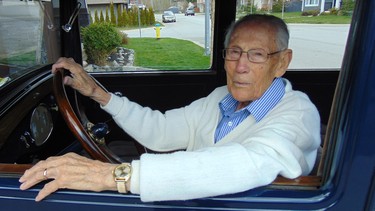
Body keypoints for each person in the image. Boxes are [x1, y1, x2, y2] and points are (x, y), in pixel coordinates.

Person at [19, 14, 321, 202]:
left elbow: (252, 162)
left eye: (257, 55)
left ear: (282, 62)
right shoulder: (220, 98)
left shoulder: (298, 114)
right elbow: (161, 130)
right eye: (234, 52)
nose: (241, 66)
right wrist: (99, 94)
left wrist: (109, 176)